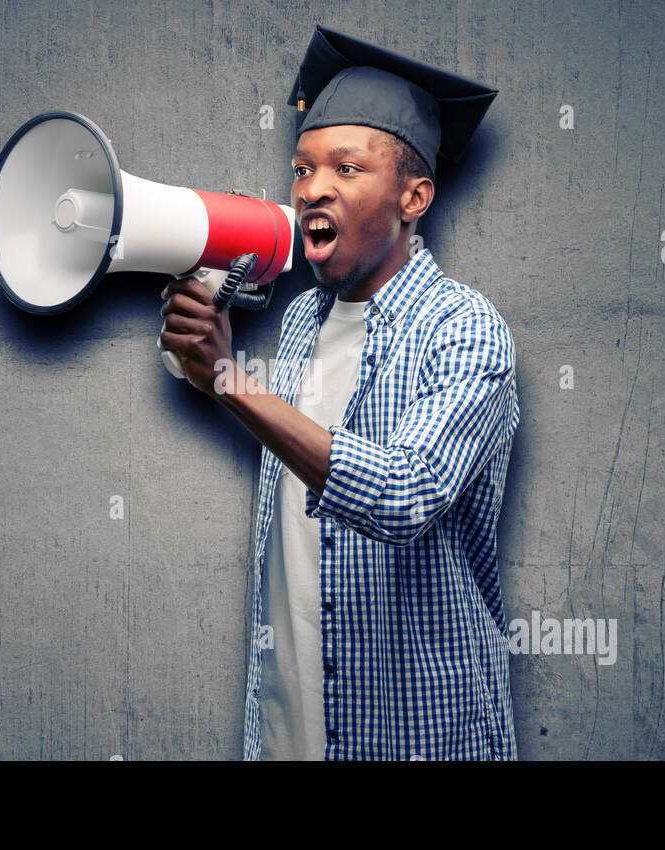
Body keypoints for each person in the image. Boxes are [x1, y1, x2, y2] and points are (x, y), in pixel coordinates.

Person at [159, 26, 520, 760]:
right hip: (293, 723)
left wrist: (231, 382)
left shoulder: (466, 329)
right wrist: (200, 355)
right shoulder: (299, 319)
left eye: (347, 168)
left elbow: (404, 494)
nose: (312, 188)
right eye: (301, 168)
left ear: (414, 195)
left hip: (415, 731)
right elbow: (299, 454)